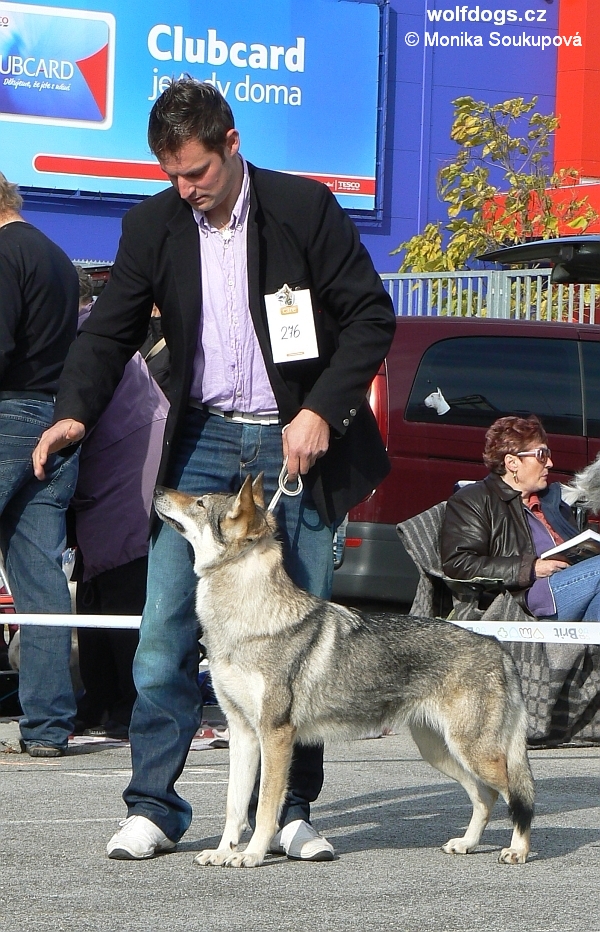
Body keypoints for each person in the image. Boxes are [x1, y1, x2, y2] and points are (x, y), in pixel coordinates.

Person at [32, 79, 396, 861]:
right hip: (203, 442)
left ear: (231, 144)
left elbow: (371, 315)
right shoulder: (153, 226)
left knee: (297, 641)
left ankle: (291, 810)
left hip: (296, 440)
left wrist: (320, 411)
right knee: (163, 633)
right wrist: (74, 411)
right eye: (171, 174)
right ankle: (154, 807)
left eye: (196, 171)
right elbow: (109, 334)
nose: (185, 189)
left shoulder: (304, 209)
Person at [0, 171, 80, 757]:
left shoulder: (4, 254)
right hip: (54, 420)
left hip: (8, 415)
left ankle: (47, 722)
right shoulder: (54, 256)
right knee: (40, 576)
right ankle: (48, 726)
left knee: (38, 574)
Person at [71, 269, 168, 739]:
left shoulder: (86, 332)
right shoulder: (90, 329)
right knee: (98, 581)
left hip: (124, 463)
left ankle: (126, 703)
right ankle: (102, 699)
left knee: (120, 581)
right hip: (116, 458)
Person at [441, 414, 600, 621]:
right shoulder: (474, 500)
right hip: (524, 598)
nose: (550, 463)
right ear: (512, 462)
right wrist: (531, 568)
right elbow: (460, 564)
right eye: (541, 455)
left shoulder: (550, 502)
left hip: (570, 585)